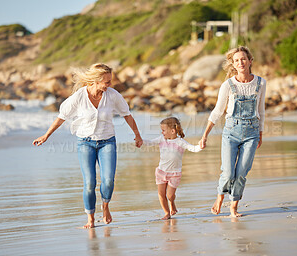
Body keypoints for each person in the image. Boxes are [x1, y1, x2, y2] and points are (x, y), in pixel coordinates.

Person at [32, 63, 143, 228]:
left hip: (107, 142)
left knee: (108, 181)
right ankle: (90, 219)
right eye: (107, 82)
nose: (110, 84)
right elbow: (62, 117)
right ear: (96, 81)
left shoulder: (112, 95)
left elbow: (127, 115)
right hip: (85, 143)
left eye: (110, 81)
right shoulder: (79, 97)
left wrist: (137, 135)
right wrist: (46, 135)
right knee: (90, 183)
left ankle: (105, 206)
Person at [199, 46, 266, 217]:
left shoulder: (261, 83)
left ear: (250, 61)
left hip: (251, 133)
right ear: (233, 65)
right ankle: (220, 196)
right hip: (231, 132)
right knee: (228, 172)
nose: (240, 62)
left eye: (243, 59)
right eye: (236, 60)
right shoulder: (227, 85)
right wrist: (205, 135)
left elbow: (261, 110)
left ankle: (233, 207)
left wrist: (260, 133)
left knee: (242, 172)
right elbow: (217, 111)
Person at [144, 117, 202, 220]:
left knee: (170, 195)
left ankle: (172, 203)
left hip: (174, 174)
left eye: (163, 130)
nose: (162, 132)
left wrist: (200, 146)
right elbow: (150, 142)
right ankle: (167, 212)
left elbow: (193, 148)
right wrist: (140, 141)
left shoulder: (180, 142)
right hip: (161, 172)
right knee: (161, 194)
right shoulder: (162, 139)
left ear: (172, 131)